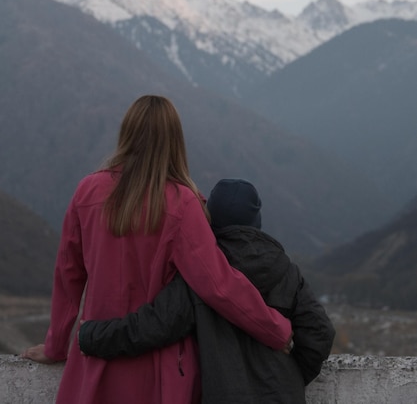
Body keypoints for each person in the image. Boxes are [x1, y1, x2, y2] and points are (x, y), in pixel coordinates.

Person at [21, 96, 292, 404]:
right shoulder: (182, 203)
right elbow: (218, 284)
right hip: (159, 370)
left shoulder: (88, 192)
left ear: (126, 133)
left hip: (95, 363)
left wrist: (56, 345)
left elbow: (68, 275)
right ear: (175, 141)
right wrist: (276, 330)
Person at [78, 178, 335, 404]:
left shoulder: (199, 274)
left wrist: (90, 336)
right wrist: (292, 377)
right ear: (256, 220)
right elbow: (320, 332)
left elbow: (153, 325)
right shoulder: (287, 271)